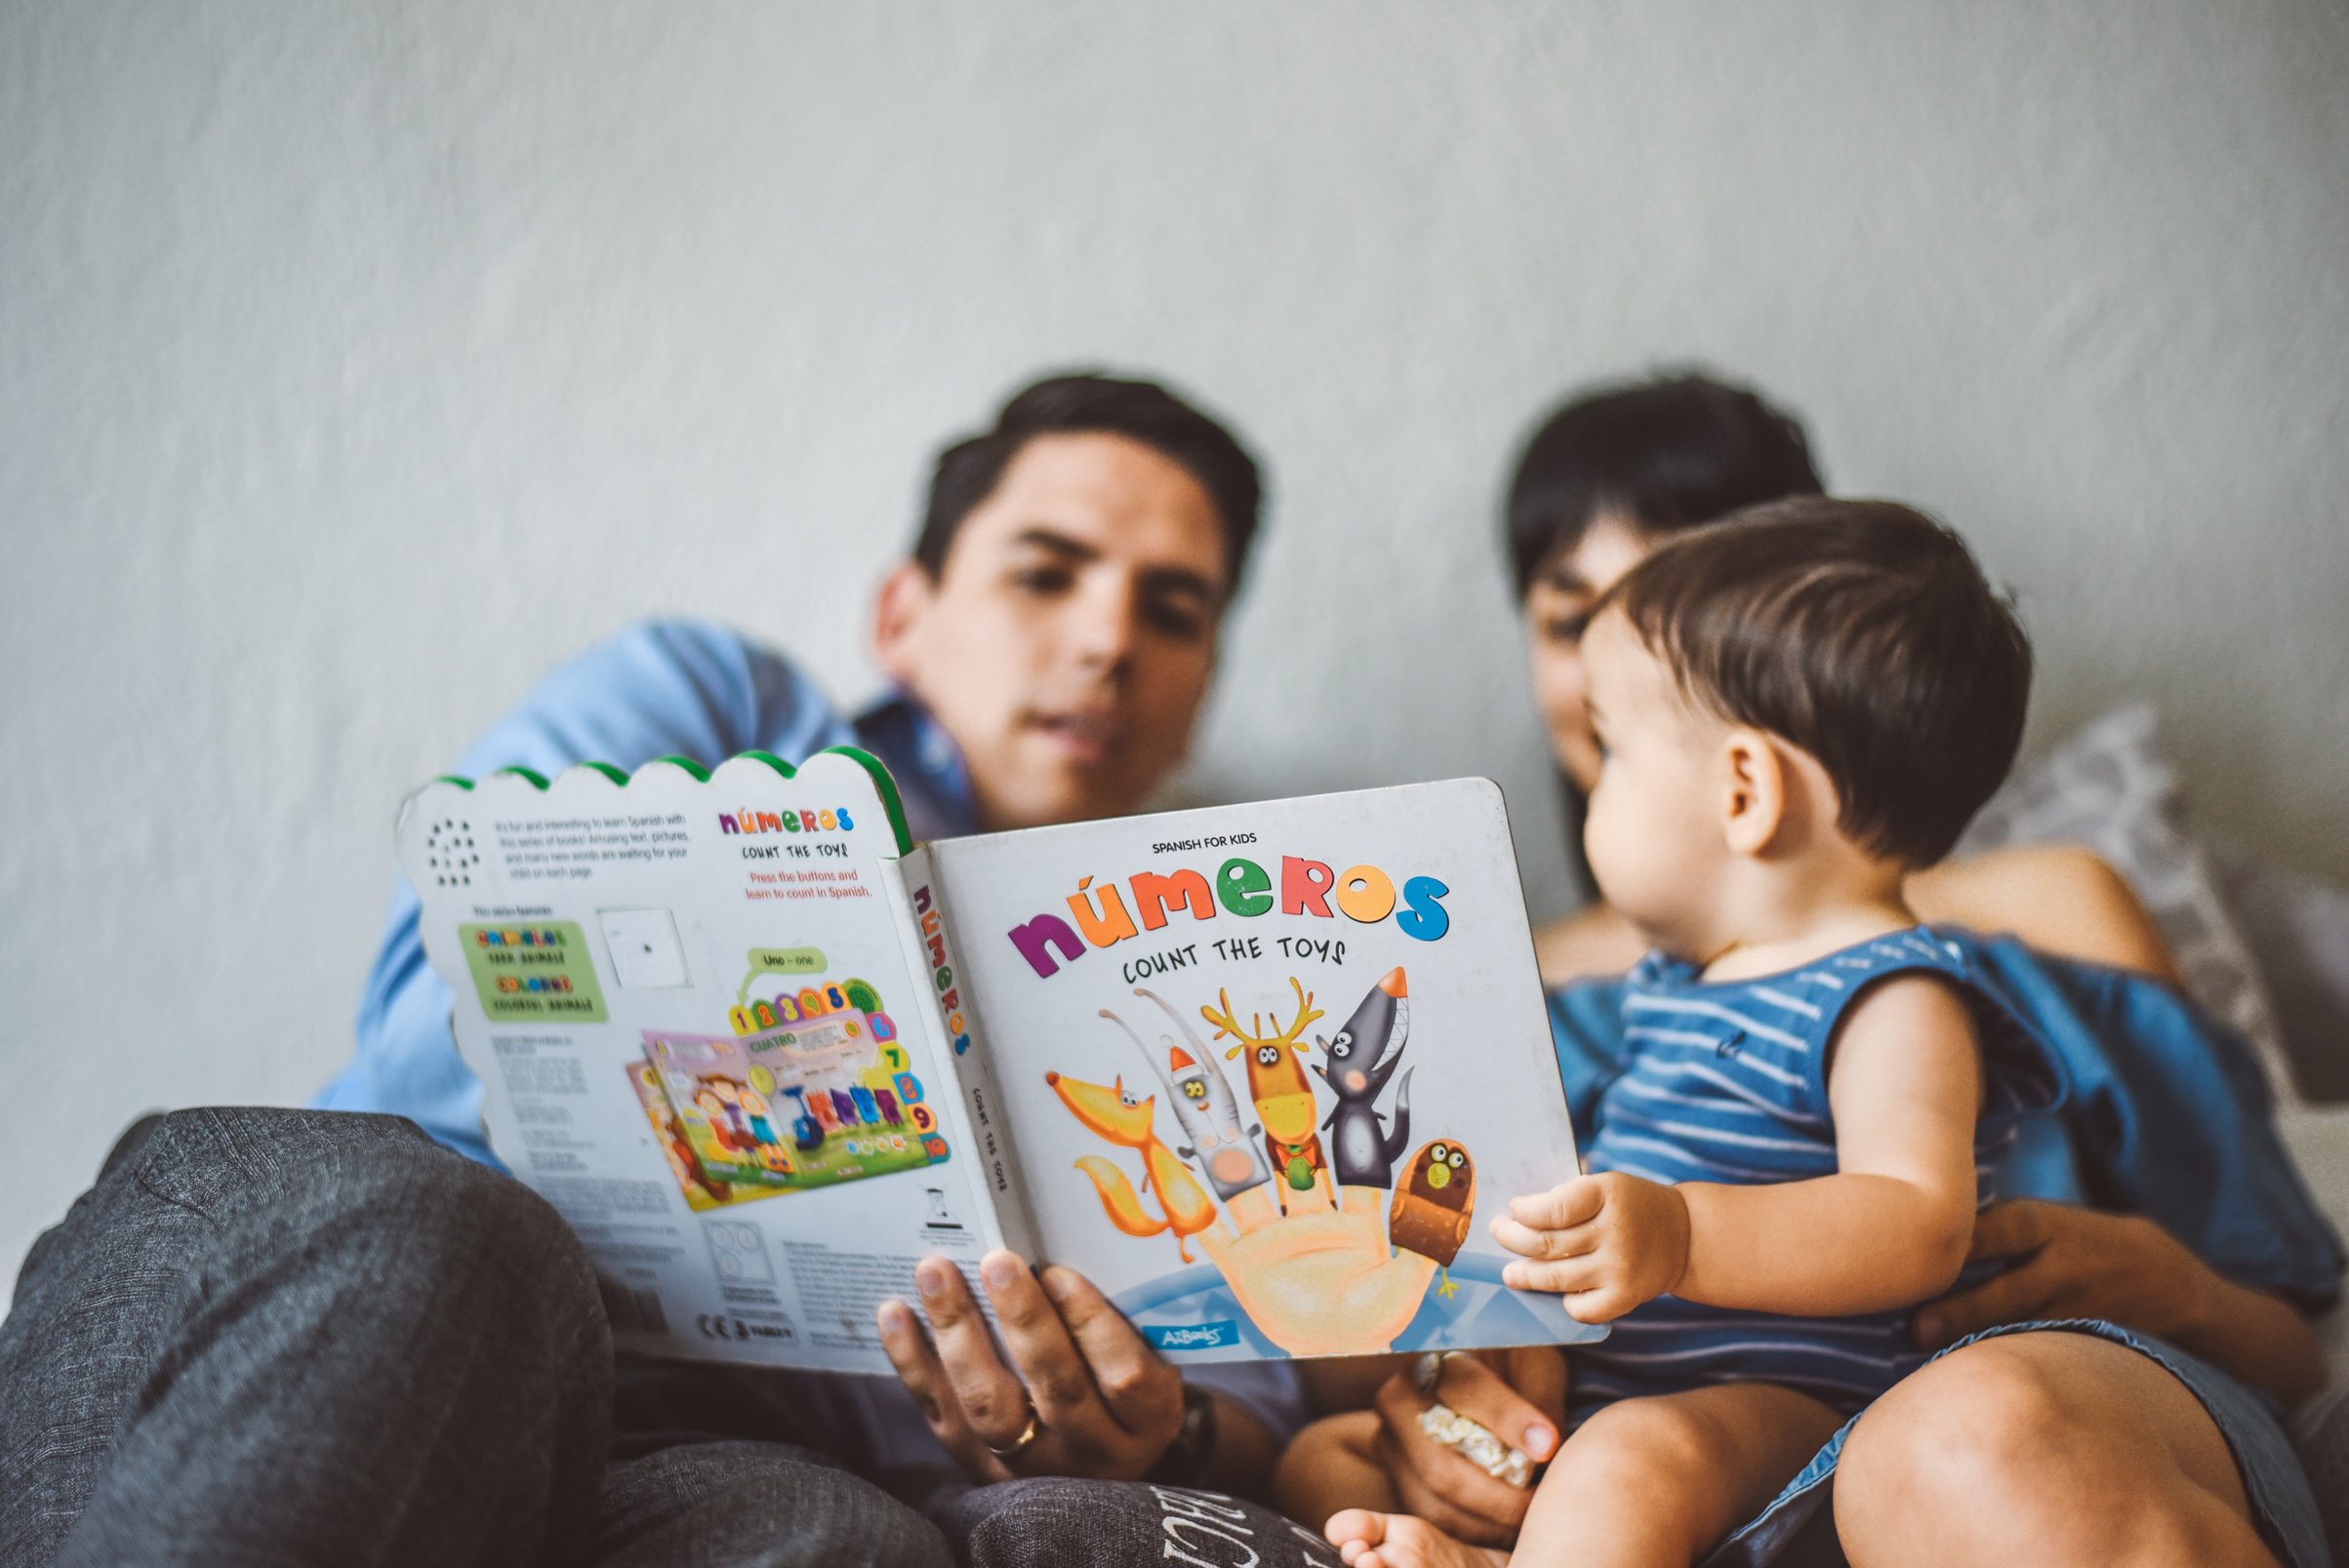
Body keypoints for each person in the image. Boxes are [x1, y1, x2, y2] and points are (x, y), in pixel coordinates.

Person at [0, 372, 1319, 1568]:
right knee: (463, 1240)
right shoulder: (715, 704)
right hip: (362, 1240)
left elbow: (1252, 1394)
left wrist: (1151, 1426)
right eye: (1046, 573)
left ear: (1199, 685)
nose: (1107, 641)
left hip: (698, 1434)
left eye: (1170, 607)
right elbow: (432, 1038)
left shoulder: (1191, 984)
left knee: (840, 1539)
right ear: (901, 616)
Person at [1338, 372, 2341, 1567]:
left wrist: (2175, 1285)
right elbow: (1427, 1277)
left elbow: (2293, 1338)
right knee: (1391, 1459)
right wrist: (1458, 1377)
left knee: (1956, 1438)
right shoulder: (1532, 990)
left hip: (1994, 1411)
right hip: (1656, 1436)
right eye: (1569, 618)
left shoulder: (1995, 939)